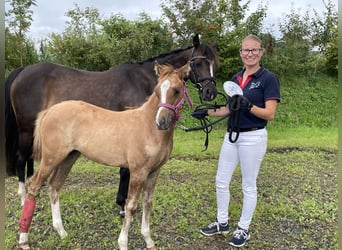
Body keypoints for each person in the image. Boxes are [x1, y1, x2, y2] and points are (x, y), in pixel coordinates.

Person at [193, 34, 280, 247]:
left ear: (260, 52)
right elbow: (229, 108)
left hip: (253, 137)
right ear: (241, 53)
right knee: (221, 181)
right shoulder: (235, 78)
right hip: (232, 136)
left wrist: (249, 106)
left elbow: (269, 113)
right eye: (246, 50)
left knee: (248, 185)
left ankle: (243, 228)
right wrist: (207, 112)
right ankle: (222, 222)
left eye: (254, 50)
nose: (249, 54)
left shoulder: (267, 78)